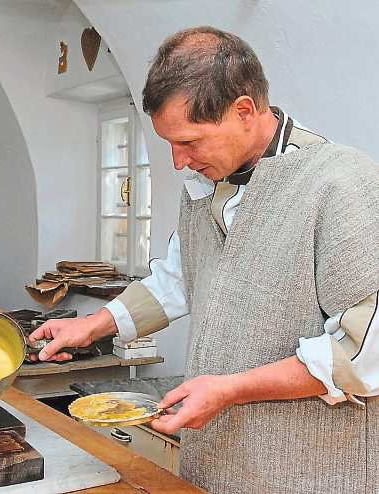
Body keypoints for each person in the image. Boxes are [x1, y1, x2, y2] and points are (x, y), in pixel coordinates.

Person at [30, 26, 379, 493]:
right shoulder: (206, 185)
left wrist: (232, 388)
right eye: (170, 143)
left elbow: (365, 353)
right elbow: (180, 277)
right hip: (214, 465)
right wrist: (92, 325)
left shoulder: (342, 185)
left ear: (244, 111)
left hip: (308, 472)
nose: (177, 161)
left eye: (189, 142)